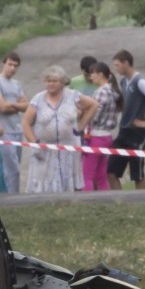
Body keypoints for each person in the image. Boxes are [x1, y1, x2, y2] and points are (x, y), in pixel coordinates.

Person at [23, 65, 94, 193]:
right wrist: (34, 143)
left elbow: (93, 105)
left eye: (54, 81)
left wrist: (81, 125)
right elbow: (26, 123)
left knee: (69, 186)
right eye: (48, 81)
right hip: (45, 151)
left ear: (62, 82)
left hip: (69, 150)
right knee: (43, 186)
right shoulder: (37, 99)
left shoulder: (73, 96)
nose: (51, 84)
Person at [108, 51, 145, 188]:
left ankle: (140, 205)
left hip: (137, 133)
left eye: (117, 65)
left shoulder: (140, 81)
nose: (115, 69)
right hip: (123, 131)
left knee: (137, 174)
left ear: (126, 63)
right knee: (111, 172)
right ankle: (120, 203)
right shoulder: (123, 81)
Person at [0, 52, 28, 192]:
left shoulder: (17, 84)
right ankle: (10, 198)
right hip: (3, 132)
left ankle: (13, 195)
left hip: (17, 130)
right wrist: (16, 105)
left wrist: (13, 105)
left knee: (16, 168)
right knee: (12, 170)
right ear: (4, 64)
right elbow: (2, 107)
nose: (12, 68)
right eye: (10, 64)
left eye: (15, 66)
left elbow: (26, 106)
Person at [82, 61, 121, 192]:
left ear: (100, 74)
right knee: (101, 175)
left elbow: (95, 116)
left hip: (96, 136)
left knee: (86, 174)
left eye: (92, 74)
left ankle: (86, 201)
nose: (90, 77)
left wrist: (83, 117)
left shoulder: (100, 92)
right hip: (107, 136)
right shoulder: (113, 91)